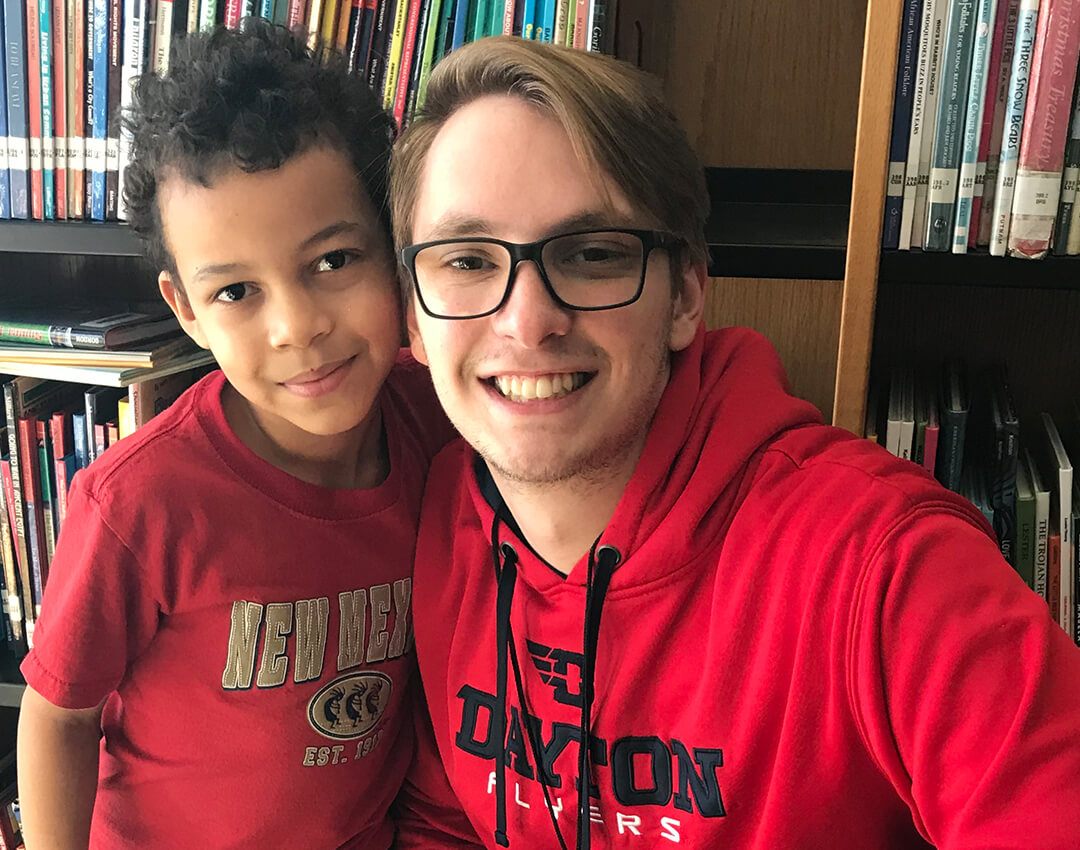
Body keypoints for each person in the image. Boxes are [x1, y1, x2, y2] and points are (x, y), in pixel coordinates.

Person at [390, 36, 1080, 849]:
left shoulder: (889, 568)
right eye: (467, 260)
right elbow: (446, 825)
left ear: (685, 293)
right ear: (413, 320)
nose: (527, 320)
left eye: (593, 254)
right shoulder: (444, 514)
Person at [17, 21, 452, 849]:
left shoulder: (439, 423)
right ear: (185, 311)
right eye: (236, 293)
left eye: (332, 262)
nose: (297, 327)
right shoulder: (137, 502)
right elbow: (58, 716)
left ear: (394, 250)